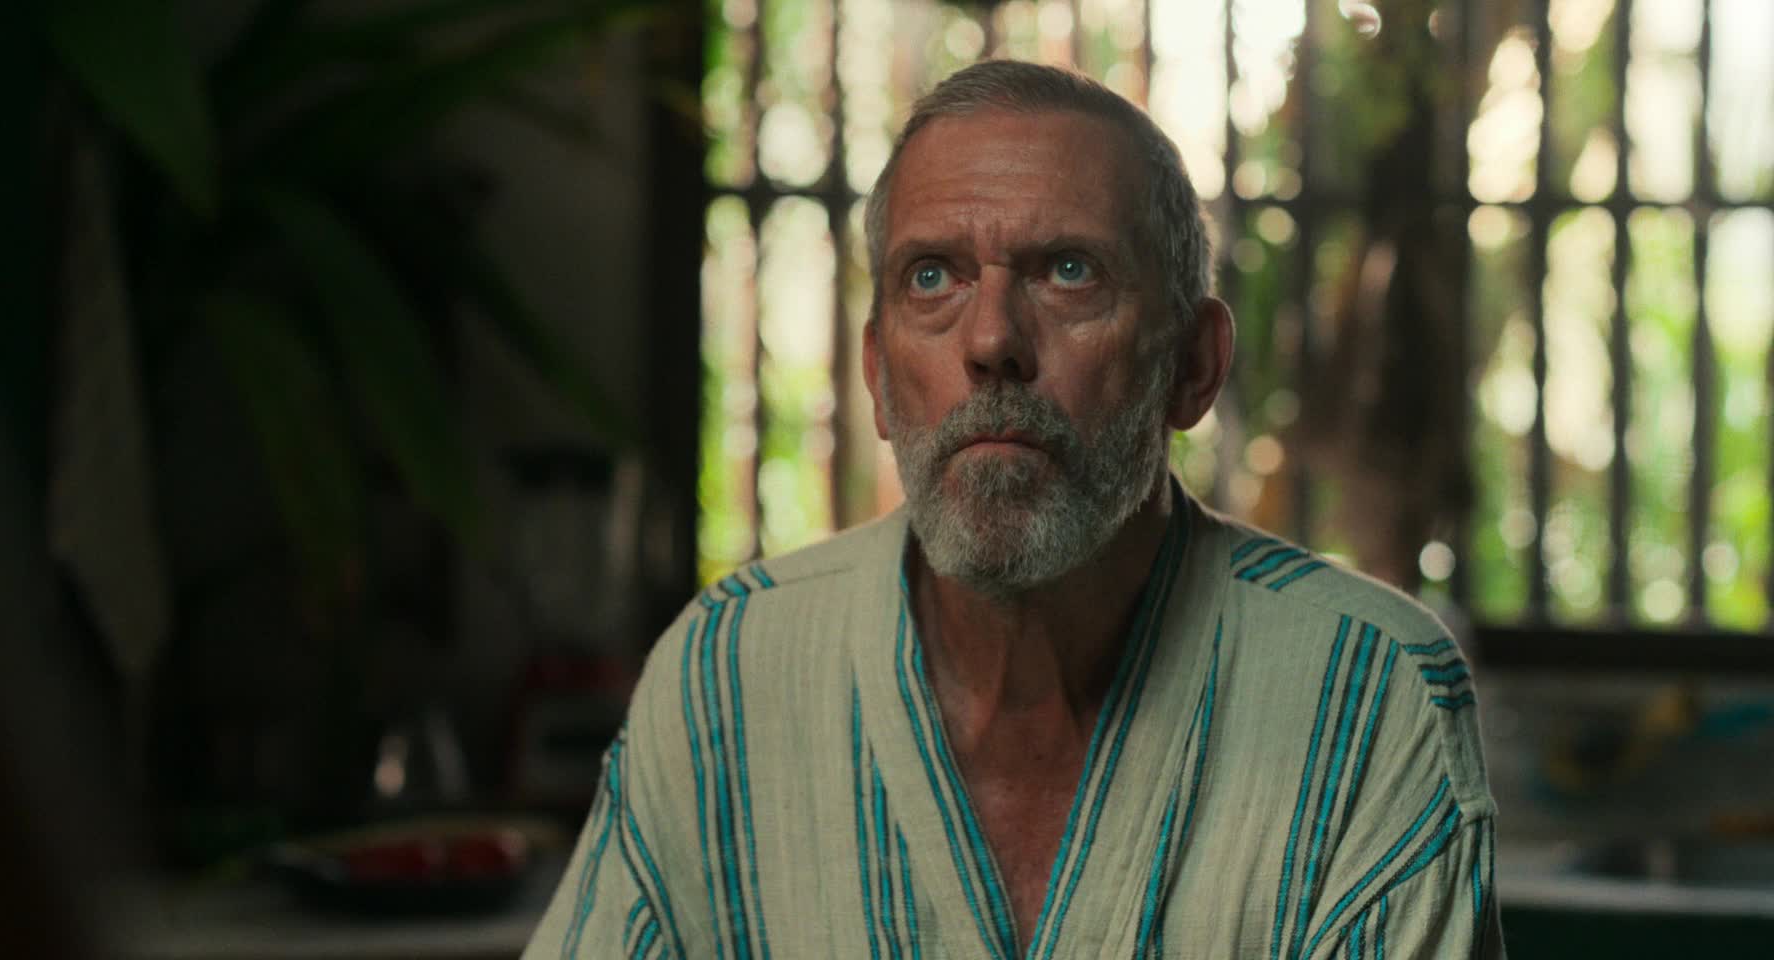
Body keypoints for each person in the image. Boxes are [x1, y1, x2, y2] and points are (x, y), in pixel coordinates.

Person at [525, 60, 1501, 959]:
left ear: (1194, 366)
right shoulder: (727, 677)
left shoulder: (1369, 695)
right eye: (932, 278)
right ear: (878, 374)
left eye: (1070, 271)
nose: (991, 339)